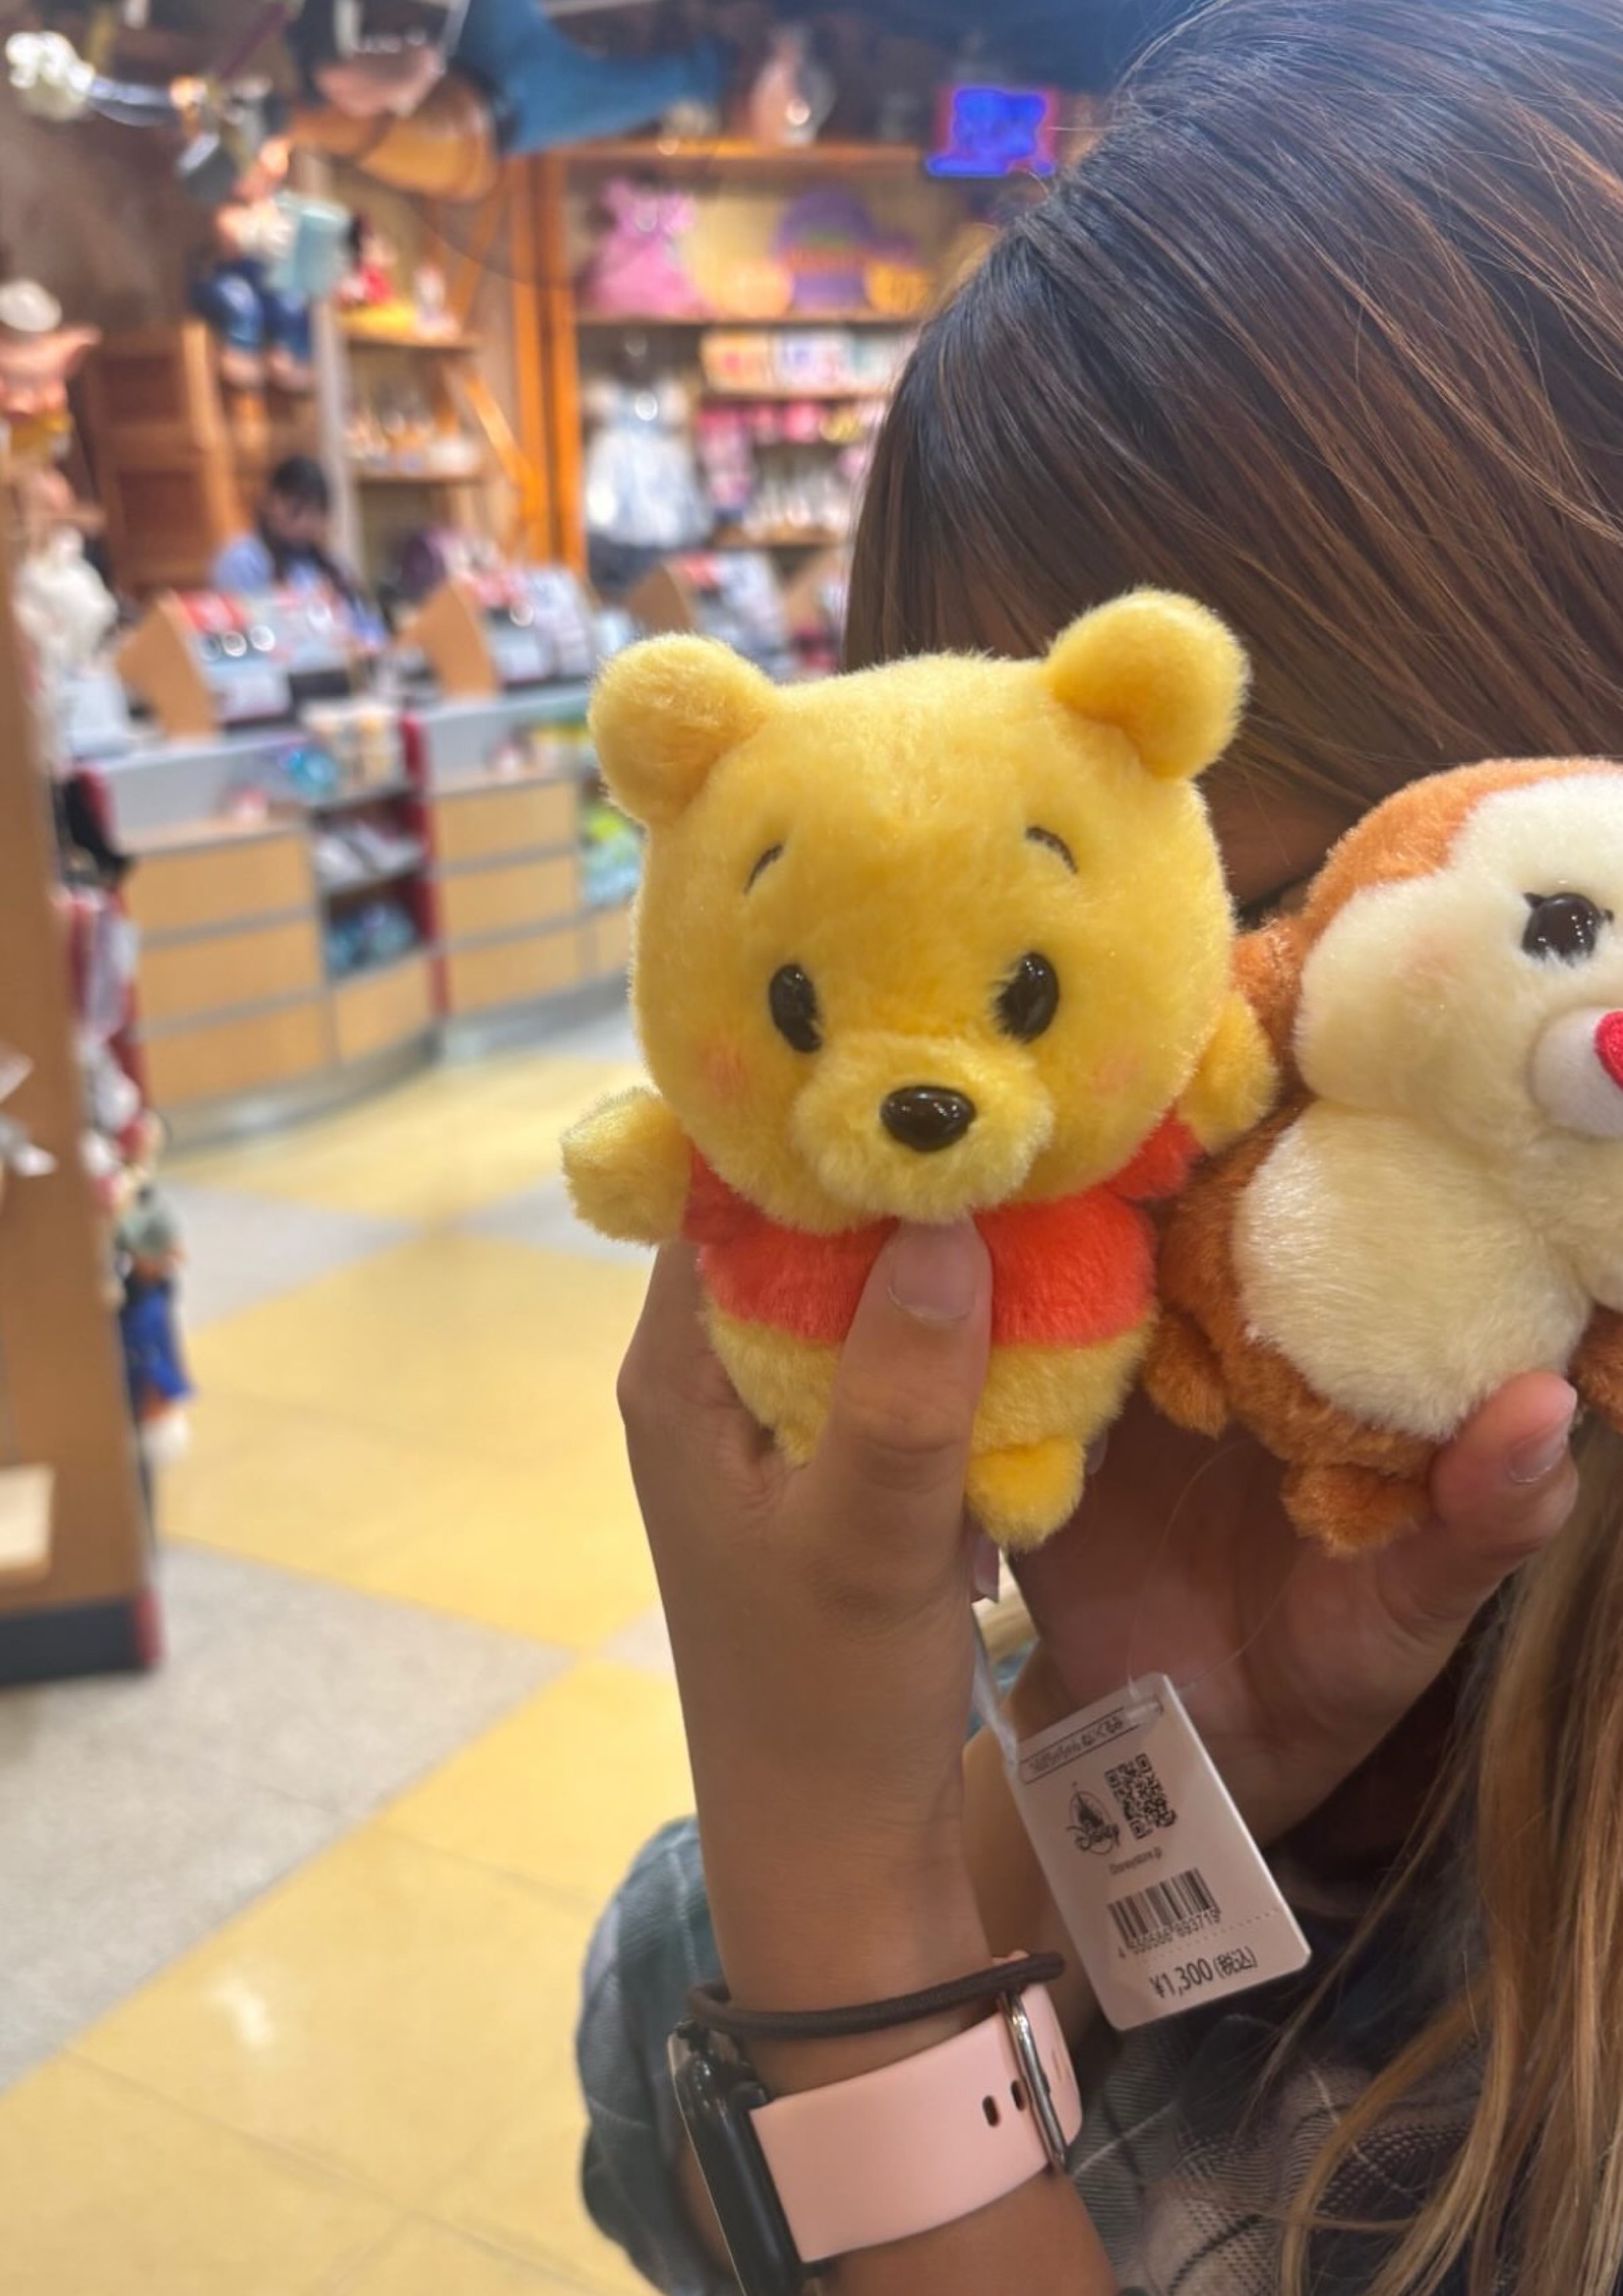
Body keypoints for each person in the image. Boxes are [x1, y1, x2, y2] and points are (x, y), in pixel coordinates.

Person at [578, 4, 1623, 2294]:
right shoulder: (1227, 1520)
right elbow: (664, 2139)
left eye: (1245, 953)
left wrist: (850, 1897)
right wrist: (1140, 1760)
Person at [211, 455, 376, 627]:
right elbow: (242, 627)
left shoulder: (333, 566)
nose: (306, 522)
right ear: (271, 503)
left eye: (316, 513)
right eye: (296, 511)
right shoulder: (243, 560)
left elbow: (368, 626)